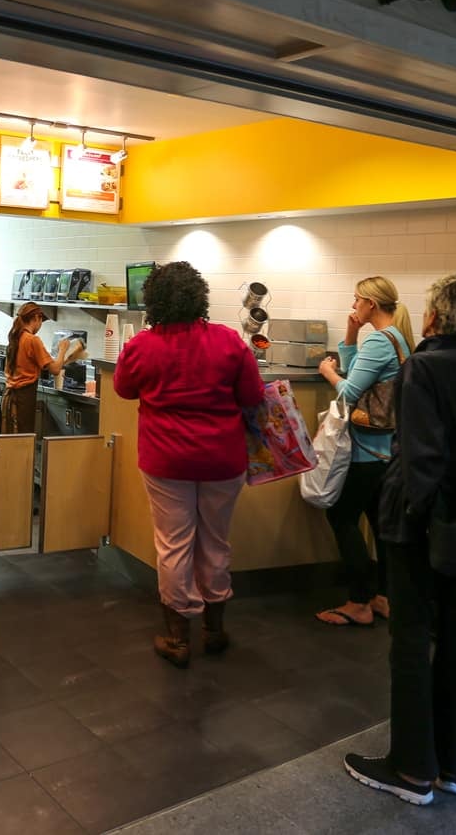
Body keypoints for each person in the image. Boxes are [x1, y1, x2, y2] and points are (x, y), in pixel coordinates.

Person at [346, 274, 456, 806]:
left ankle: (411, 769)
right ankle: (452, 764)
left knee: (409, 642)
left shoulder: (421, 370)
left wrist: (419, 523)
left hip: (420, 532)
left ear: (432, 317)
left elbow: (422, 460)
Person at [113, 262, 266, 667]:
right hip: (222, 459)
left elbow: (124, 389)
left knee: (173, 544)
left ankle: (177, 637)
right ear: (200, 297)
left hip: (165, 460)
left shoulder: (141, 346)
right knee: (216, 541)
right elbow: (252, 395)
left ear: (154, 301)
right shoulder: (229, 341)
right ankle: (214, 631)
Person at [315, 276, 414, 628]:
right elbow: (360, 371)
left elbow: (349, 391)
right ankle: (383, 596)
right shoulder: (396, 338)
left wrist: (328, 372)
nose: (353, 304)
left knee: (341, 517)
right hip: (388, 451)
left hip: (366, 451)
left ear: (371, 304)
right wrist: (350, 334)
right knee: (378, 523)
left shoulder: (379, 341)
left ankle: (358, 602)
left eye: (357, 299)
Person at [0, 301, 83, 434]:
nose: (40, 325)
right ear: (36, 318)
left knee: (10, 438)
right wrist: (62, 349)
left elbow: (48, 365)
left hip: (9, 396)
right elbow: (55, 370)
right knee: (23, 439)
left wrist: (68, 358)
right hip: (24, 398)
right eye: (41, 321)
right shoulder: (32, 340)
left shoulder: (16, 337)